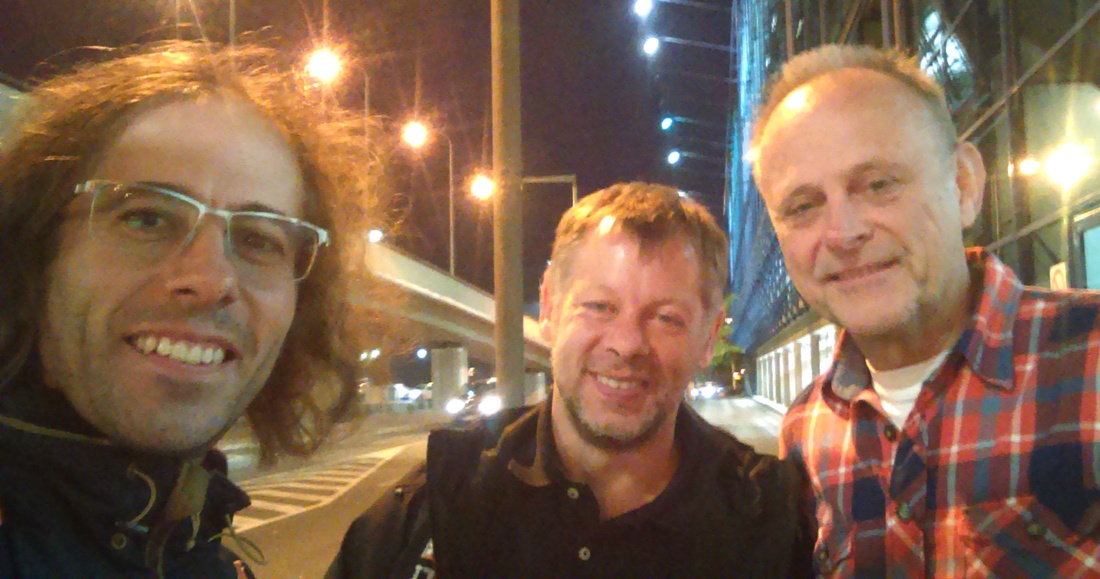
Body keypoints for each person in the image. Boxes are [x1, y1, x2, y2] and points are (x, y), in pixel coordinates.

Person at [0, 40, 385, 578]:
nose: (210, 281)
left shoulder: (201, 553)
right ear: (34, 254)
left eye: (257, 240)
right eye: (147, 219)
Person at [327, 182, 815, 578]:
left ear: (708, 338)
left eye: (666, 317)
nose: (627, 343)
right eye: (599, 306)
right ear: (549, 308)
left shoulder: (770, 523)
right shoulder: (437, 504)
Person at [753, 43, 1100, 576]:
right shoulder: (806, 431)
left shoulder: (1088, 359)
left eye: (879, 185)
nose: (843, 233)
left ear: (963, 186)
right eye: (803, 206)